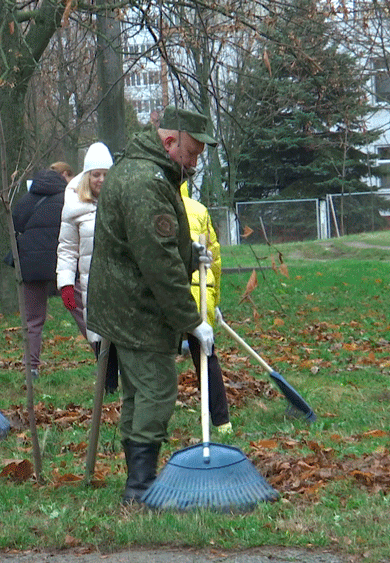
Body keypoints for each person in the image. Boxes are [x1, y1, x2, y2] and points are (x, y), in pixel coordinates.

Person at [87, 106, 216, 505]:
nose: (193, 163)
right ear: (169, 141)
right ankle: (140, 489)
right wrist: (192, 320)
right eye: (191, 153)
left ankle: (137, 484)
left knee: (137, 394)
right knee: (157, 391)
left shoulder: (142, 167)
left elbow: (149, 241)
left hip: (123, 300)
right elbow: (157, 261)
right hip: (136, 307)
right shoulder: (147, 180)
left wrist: (189, 251)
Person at [55, 142, 118, 392]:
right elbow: (67, 248)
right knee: (100, 337)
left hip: (122, 279)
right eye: (96, 175)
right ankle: (109, 389)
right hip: (93, 282)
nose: (101, 180)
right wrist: (66, 283)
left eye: (106, 175)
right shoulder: (74, 207)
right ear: (87, 176)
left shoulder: (120, 203)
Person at [180, 182, 232, 433]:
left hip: (170, 291)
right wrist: (216, 298)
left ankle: (153, 423)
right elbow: (216, 258)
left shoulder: (157, 209)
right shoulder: (199, 209)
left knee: (157, 358)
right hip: (200, 291)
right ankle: (222, 422)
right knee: (206, 356)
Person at [12, 169, 67, 379]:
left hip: (32, 264)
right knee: (81, 310)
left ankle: (31, 366)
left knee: (33, 319)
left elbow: (16, 224)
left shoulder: (26, 200)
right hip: (61, 262)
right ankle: (101, 355)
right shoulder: (66, 199)